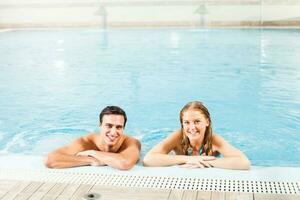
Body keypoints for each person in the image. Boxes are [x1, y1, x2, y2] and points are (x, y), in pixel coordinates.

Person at [143, 101, 251, 170]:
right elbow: (148, 159)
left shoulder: (213, 140)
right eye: (186, 122)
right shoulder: (177, 137)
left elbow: (244, 162)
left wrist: (203, 161)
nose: (192, 128)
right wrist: (188, 159)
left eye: (197, 121)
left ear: (207, 122)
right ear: (182, 124)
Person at [45, 106, 141, 170]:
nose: (113, 132)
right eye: (109, 126)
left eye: (119, 127)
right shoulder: (85, 142)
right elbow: (50, 160)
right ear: (100, 125)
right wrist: (91, 160)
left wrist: (92, 153)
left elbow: (125, 163)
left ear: (123, 128)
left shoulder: (131, 142)